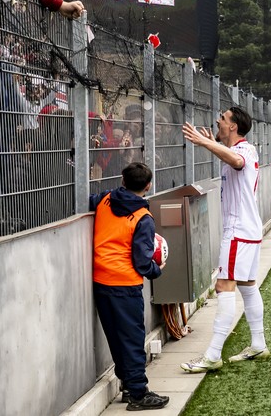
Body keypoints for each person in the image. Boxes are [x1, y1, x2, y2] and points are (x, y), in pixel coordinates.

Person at [180, 108, 269, 372]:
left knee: (223, 285)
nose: (218, 120)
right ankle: (258, 344)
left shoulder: (245, 151)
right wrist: (213, 143)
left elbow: (236, 160)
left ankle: (212, 355)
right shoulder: (238, 149)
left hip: (238, 231)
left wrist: (204, 141)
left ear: (233, 127)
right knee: (248, 286)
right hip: (248, 231)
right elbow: (229, 156)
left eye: (223, 118)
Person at [91, 162, 169, 411]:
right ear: (148, 186)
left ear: (122, 181)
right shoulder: (144, 218)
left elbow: (89, 200)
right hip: (125, 285)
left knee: (115, 337)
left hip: (101, 281)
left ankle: (128, 385)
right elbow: (142, 261)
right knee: (133, 339)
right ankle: (137, 393)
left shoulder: (104, 201)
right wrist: (157, 270)